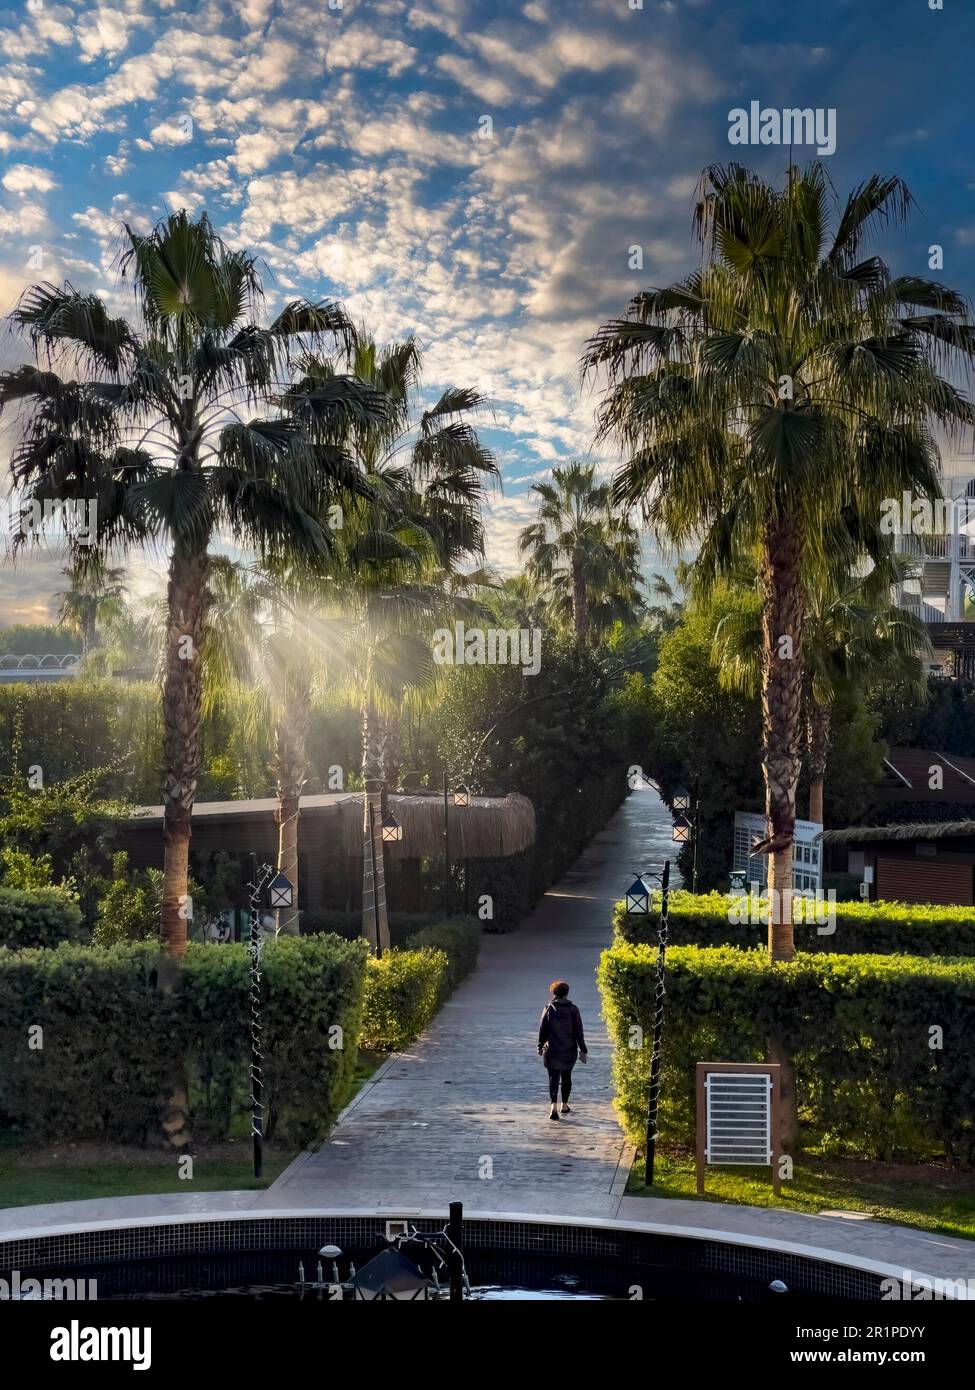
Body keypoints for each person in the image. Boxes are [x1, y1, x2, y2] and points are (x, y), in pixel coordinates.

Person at [537, 980, 587, 1120]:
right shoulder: (573, 1009)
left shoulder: (548, 1008)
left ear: (553, 993)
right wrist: (583, 1049)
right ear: (567, 993)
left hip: (551, 1049)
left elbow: (542, 1029)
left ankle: (553, 1106)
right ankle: (564, 1105)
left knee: (553, 1077)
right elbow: (579, 1032)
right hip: (569, 1050)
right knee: (567, 1077)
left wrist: (540, 1045)